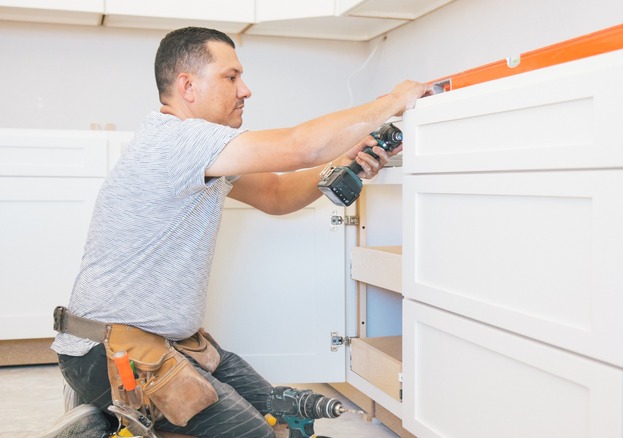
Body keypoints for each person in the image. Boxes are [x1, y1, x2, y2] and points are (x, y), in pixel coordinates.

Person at [48, 26, 432, 437]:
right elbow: (301, 146)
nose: (245, 90)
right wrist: (392, 101)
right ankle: (106, 422)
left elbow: (277, 193)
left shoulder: (197, 151)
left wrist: (348, 156)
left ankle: (103, 418)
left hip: (162, 344)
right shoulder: (180, 139)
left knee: (276, 412)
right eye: (231, 77)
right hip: (109, 354)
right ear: (188, 86)